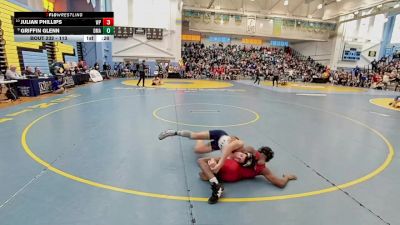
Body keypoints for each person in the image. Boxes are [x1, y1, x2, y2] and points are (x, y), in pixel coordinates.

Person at [198, 146, 297, 204]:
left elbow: (280, 183)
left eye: (260, 159)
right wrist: (287, 177)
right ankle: (215, 178)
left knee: (202, 166)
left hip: (230, 168)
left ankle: (215, 182)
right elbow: (280, 183)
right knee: (203, 174)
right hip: (230, 173)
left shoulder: (261, 167)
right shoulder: (260, 165)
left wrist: (287, 177)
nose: (257, 160)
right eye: (258, 156)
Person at [159, 129, 245, 173]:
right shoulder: (240, 144)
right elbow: (228, 148)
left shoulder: (234, 159)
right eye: (240, 156)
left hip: (217, 145)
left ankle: (199, 139)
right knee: (193, 136)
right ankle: (173, 132)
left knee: (197, 150)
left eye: (239, 160)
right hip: (220, 134)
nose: (238, 157)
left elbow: (221, 158)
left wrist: (214, 165)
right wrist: (219, 164)